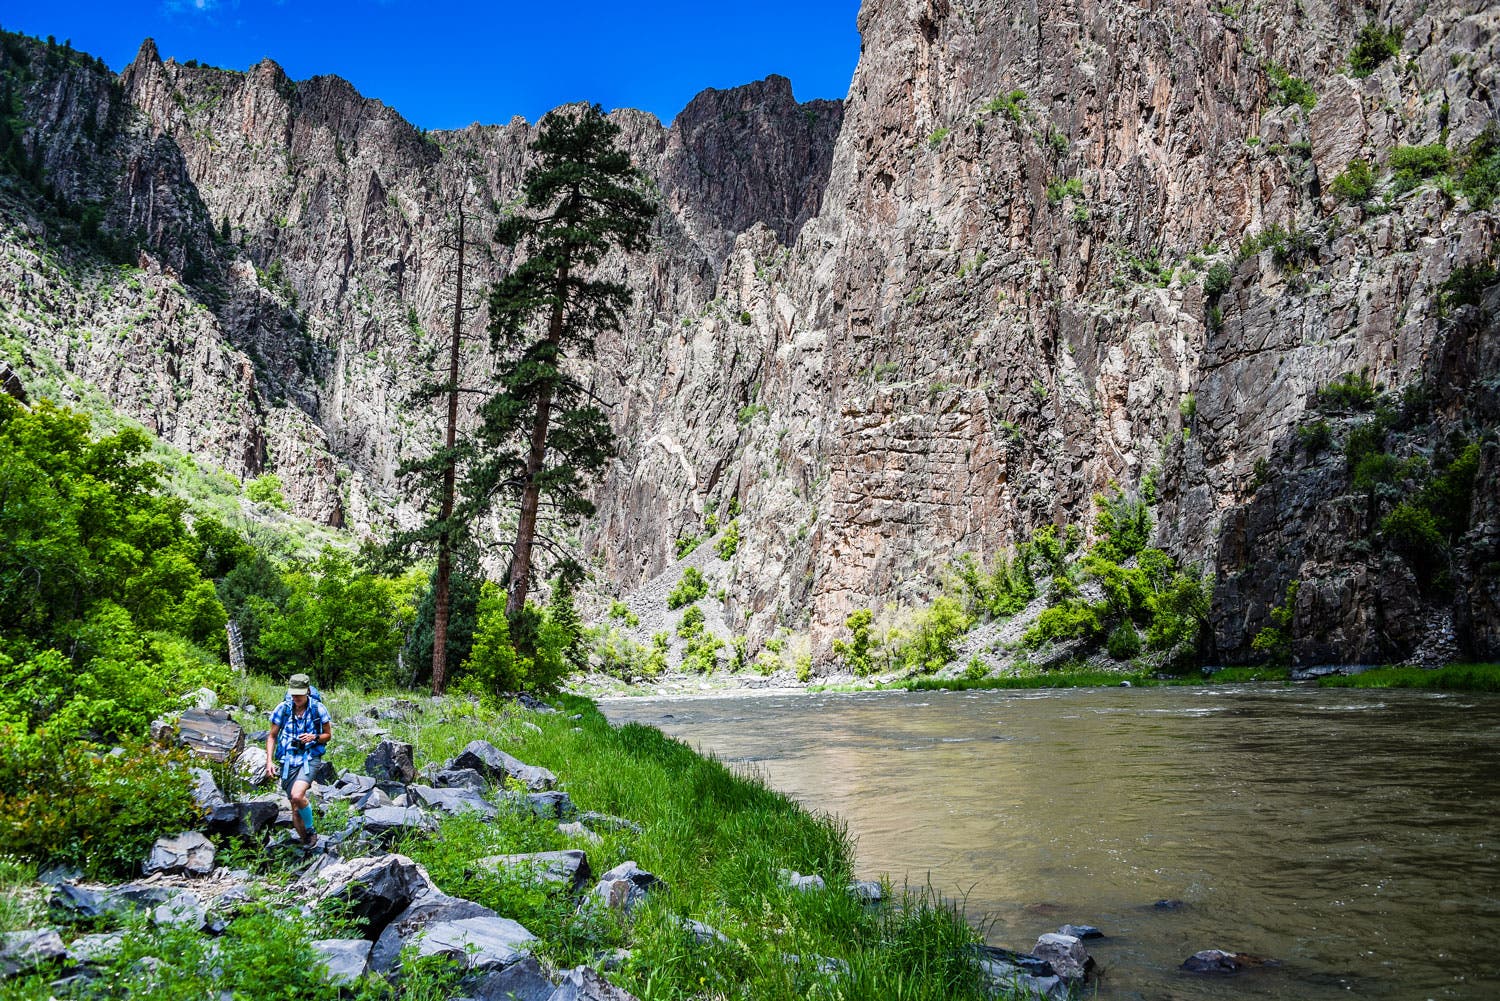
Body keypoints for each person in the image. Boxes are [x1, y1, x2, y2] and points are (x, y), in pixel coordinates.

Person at [266, 672, 331, 847]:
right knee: (295, 809)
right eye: (293, 693)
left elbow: (327, 735)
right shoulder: (283, 709)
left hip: (309, 758)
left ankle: (310, 830)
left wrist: (314, 737)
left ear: (307, 691)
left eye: (299, 694)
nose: (296, 697)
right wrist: (269, 761)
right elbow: (272, 736)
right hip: (287, 761)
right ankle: (307, 844)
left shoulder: (318, 709)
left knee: (297, 795)